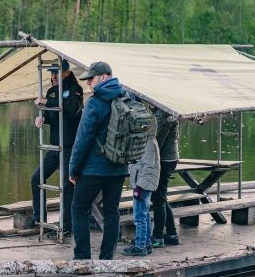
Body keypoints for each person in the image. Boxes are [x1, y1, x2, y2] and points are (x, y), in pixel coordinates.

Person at [69, 61, 128, 260]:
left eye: (91, 79)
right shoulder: (127, 97)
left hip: (93, 169)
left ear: (104, 76)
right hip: (119, 168)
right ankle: (106, 259)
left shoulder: (95, 103)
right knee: (112, 212)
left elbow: (83, 138)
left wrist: (73, 168)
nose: (88, 84)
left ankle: (83, 258)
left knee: (78, 208)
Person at [31, 58, 83, 237]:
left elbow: (70, 110)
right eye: (51, 73)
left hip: (69, 147)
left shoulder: (76, 90)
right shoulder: (52, 91)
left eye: (56, 72)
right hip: (54, 146)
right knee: (37, 178)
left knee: (67, 186)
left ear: (66, 72)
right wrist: (42, 119)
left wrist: (46, 102)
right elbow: (50, 114)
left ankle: (66, 225)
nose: (53, 76)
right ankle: (39, 218)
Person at [122, 119, 160, 256]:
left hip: (143, 185)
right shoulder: (149, 141)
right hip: (143, 183)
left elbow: (148, 167)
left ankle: (140, 246)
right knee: (144, 214)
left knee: (139, 217)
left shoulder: (149, 143)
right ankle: (147, 244)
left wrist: (139, 186)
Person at [151, 108, 180, 247]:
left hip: (165, 159)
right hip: (169, 157)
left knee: (158, 198)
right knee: (161, 196)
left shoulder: (163, 113)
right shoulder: (165, 111)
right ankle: (172, 234)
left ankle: (157, 237)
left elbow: (156, 141)